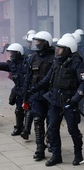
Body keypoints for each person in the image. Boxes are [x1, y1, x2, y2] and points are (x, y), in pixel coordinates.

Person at [30, 36, 84, 166]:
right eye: (57, 49)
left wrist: (75, 100)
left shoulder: (77, 62)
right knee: (52, 128)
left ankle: (78, 154)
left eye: (61, 50)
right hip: (55, 101)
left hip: (69, 101)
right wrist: (34, 88)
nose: (58, 51)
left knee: (72, 129)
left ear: (69, 50)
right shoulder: (56, 62)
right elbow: (48, 78)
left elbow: (83, 83)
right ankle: (56, 155)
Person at [22, 31, 55, 161]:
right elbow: (28, 77)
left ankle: (51, 142)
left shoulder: (54, 57)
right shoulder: (33, 58)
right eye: (36, 42)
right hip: (36, 95)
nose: (37, 44)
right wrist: (26, 94)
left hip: (50, 94)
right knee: (37, 121)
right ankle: (40, 148)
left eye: (40, 42)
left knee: (51, 121)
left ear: (46, 43)